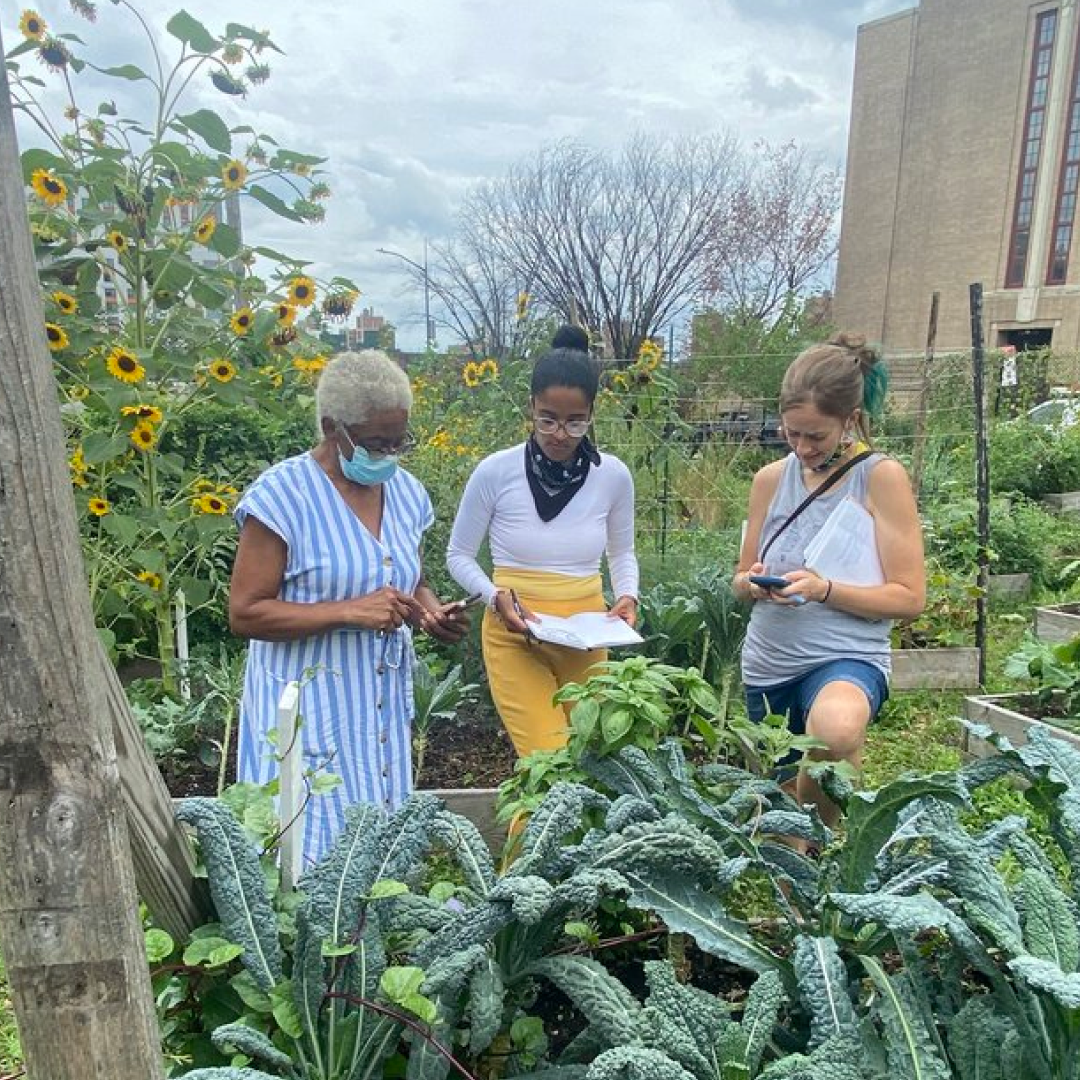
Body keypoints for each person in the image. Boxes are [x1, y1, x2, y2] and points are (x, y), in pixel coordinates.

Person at [229, 350, 469, 862]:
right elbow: (245, 612)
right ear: (330, 427)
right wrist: (345, 611)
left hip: (378, 711)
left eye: (398, 440)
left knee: (377, 859)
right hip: (309, 708)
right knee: (308, 856)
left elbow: (411, 577)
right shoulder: (281, 497)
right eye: (375, 441)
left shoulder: (405, 493)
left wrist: (428, 612)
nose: (387, 454)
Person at [732, 331, 925, 824]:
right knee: (778, 823)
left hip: (846, 656)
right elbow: (740, 576)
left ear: (850, 420)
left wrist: (826, 590)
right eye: (791, 433)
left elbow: (909, 597)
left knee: (835, 733)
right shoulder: (770, 480)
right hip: (769, 664)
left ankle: (817, 855)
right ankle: (801, 866)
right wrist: (751, 583)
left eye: (815, 436)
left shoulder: (880, 477)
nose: (802, 447)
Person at [446, 328, 639, 757]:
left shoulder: (613, 476)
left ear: (592, 412)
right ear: (531, 406)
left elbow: (621, 551)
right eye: (547, 419)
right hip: (515, 630)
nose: (559, 434)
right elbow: (458, 555)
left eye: (575, 422)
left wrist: (628, 595)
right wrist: (494, 596)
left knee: (590, 758)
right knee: (546, 759)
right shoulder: (495, 472)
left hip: (586, 637)